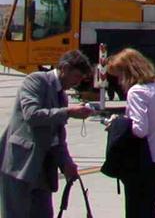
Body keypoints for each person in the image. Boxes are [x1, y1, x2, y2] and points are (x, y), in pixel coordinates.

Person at [0, 50, 93, 218]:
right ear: (64, 68)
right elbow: (32, 115)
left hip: (43, 168)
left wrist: (66, 162)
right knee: (15, 213)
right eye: (76, 77)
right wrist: (68, 112)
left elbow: (58, 136)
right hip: (21, 164)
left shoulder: (62, 97)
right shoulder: (36, 81)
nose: (77, 83)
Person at [104, 48, 155, 218]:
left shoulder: (137, 92)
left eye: (119, 75)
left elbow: (140, 130)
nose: (119, 81)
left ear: (128, 71)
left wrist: (117, 123)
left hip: (142, 162)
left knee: (136, 211)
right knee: (150, 209)